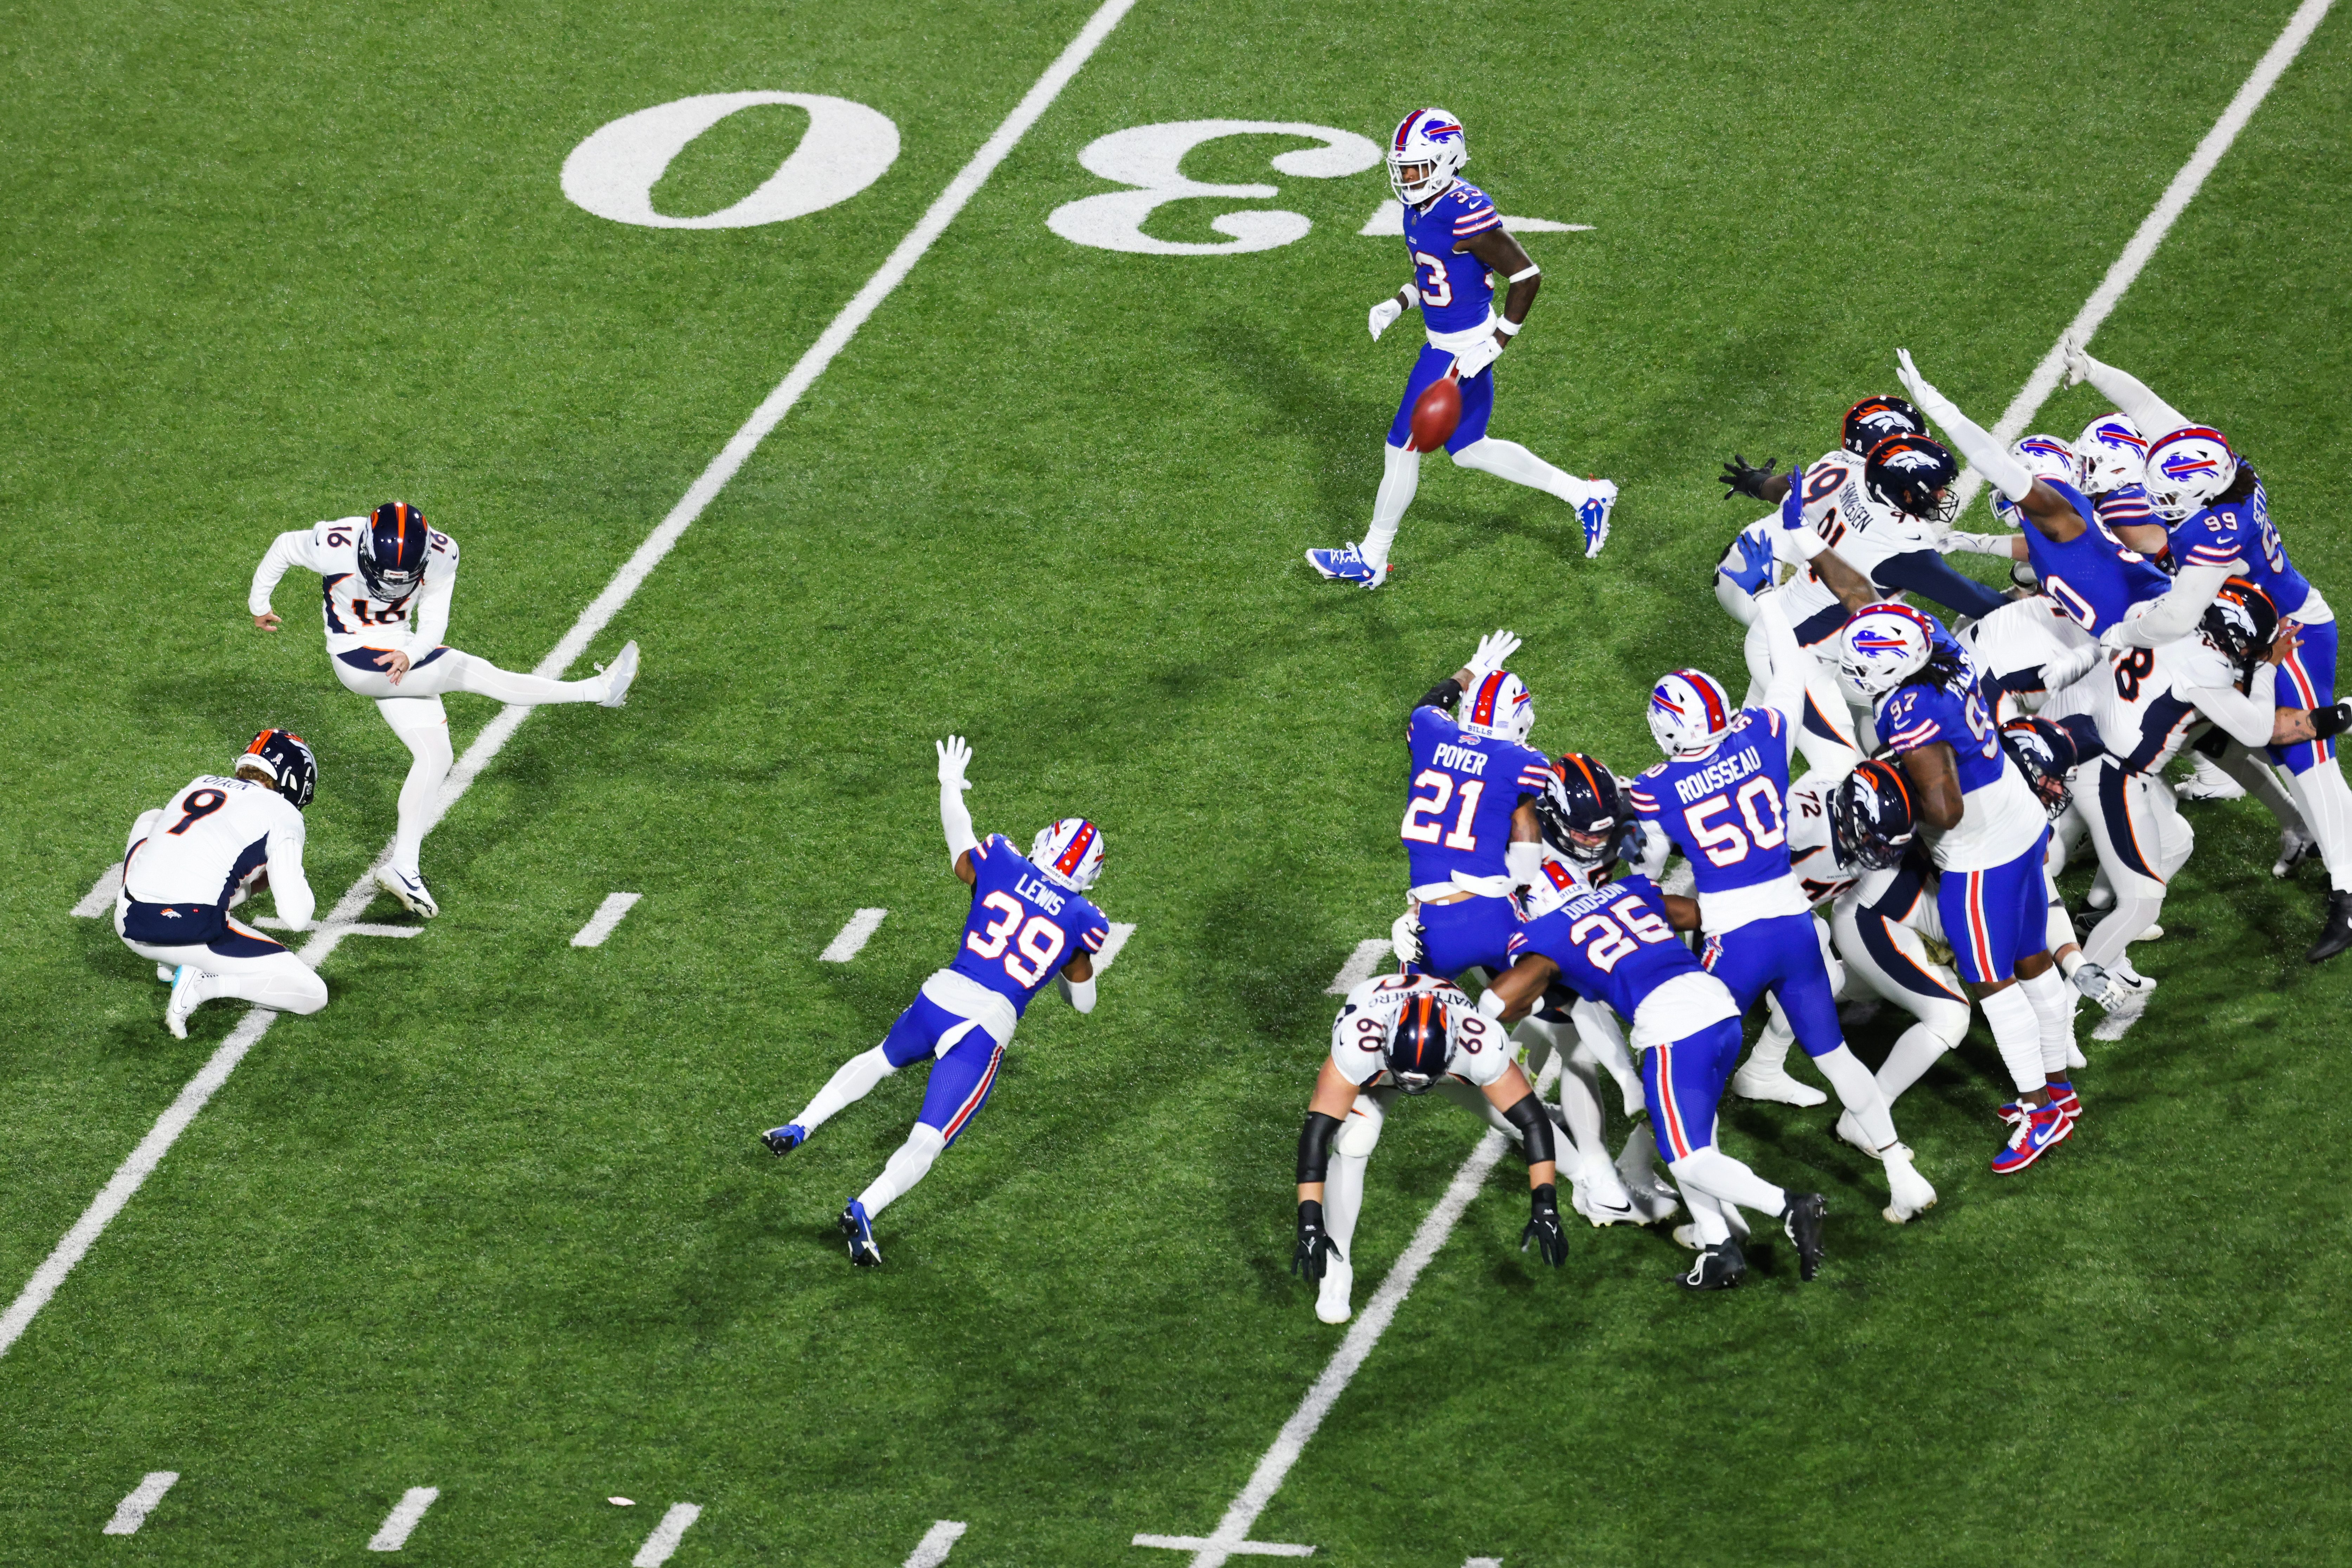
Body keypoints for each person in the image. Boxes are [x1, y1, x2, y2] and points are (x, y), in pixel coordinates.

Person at [1629, 592, 1935, 1220]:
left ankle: (1700, 1200)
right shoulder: (1763, 736)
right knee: (1834, 1056)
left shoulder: (1655, 789)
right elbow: (1790, 674)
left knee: (1691, 1071)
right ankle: (1901, 1170)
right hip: (1793, 926)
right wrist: (1770, 607)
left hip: (1729, 941)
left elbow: (1647, 872)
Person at [761, 738, 1108, 1267]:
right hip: (984, 1026)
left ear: (1044, 842)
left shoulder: (1004, 861)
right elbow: (1082, 1002)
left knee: (880, 1059)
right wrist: (1069, 958)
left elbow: (959, 840)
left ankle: (800, 1124)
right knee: (929, 1138)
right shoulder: (1086, 919)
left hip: (940, 993)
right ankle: (865, 1206)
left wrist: (949, 783)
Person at [2058, 337, 2352, 960]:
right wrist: (2095, 371)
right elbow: (2150, 408)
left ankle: (2348, 894)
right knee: (2238, 732)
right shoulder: (2221, 471)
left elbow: (2175, 617)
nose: (2159, 501)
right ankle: (2300, 825)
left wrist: (2123, 631)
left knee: (2306, 756)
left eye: (2169, 494)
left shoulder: (2214, 530)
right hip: (2248, 628)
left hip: (2284, 634)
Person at [1477, 800, 1828, 1291]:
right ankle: (1719, 1247)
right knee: (1682, 1138)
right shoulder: (1626, 891)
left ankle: (1789, 1205)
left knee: (1688, 1158)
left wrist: (1482, 1015)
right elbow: (1697, 914)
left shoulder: (1550, 933)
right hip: (1719, 1009)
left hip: (1671, 1031)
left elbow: (1505, 995)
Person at [248, 501, 640, 919]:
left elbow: (435, 621)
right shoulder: (334, 543)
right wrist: (260, 603)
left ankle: (404, 867)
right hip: (358, 657)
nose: (394, 586)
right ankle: (597, 690)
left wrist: (411, 652)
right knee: (473, 672)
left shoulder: (440, 554)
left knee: (436, 757)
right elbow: (283, 547)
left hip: (400, 649)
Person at [1306, 109, 1615, 588]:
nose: (1407, 177)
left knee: (1400, 449)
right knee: (1469, 449)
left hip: (1458, 352)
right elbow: (1437, 274)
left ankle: (1372, 556)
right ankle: (1584, 495)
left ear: (1446, 161)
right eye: (1403, 168)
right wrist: (1398, 303)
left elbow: (1527, 276)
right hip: (1452, 345)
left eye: (1416, 168)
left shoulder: (1464, 211)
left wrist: (1497, 343)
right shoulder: (1421, 207)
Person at [1839, 602, 2094, 1172]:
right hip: (2021, 819)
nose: (1852, 670)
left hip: (1979, 854)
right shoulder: (1938, 647)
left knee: (1992, 987)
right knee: (2032, 957)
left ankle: (2040, 1111)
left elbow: (1945, 809)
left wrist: (1890, 798)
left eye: (1861, 663)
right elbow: (1886, 609)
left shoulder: (1907, 713)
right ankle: (2058, 1091)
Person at [2074, 581, 2352, 1033]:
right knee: (2138, 899)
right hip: (2108, 772)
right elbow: (2262, 729)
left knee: (2178, 833)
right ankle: (2065, 990)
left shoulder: (2161, 615)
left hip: (2089, 734)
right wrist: (2267, 667)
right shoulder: (2206, 671)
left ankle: (2091, 923)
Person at [1293, 972, 1566, 1323]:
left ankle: (1593, 1177)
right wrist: (1310, 1223)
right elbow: (1315, 1136)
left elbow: (1533, 1123)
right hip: (1378, 1064)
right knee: (1353, 1142)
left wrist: (1545, 1206)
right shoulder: (1358, 1041)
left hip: (1443, 1059)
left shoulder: (1477, 1042)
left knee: (1509, 1119)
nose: (1411, 1088)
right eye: (1405, 1078)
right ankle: (1336, 1268)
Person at [116, 729, 329, 1039]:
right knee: (313, 994)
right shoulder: (283, 813)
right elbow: (297, 917)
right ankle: (205, 984)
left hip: (128, 921)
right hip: (188, 930)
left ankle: (168, 962)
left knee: (152, 819)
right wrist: (282, 872)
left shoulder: (200, 782)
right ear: (293, 779)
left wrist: (253, 881)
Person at [1396, 630, 1557, 978]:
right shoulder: (1521, 762)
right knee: (1557, 994)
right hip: (1493, 913)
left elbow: (1428, 706)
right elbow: (1526, 859)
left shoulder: (1428, 731)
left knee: (1413, 1016)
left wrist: (1469, 671)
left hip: (1429, 920)